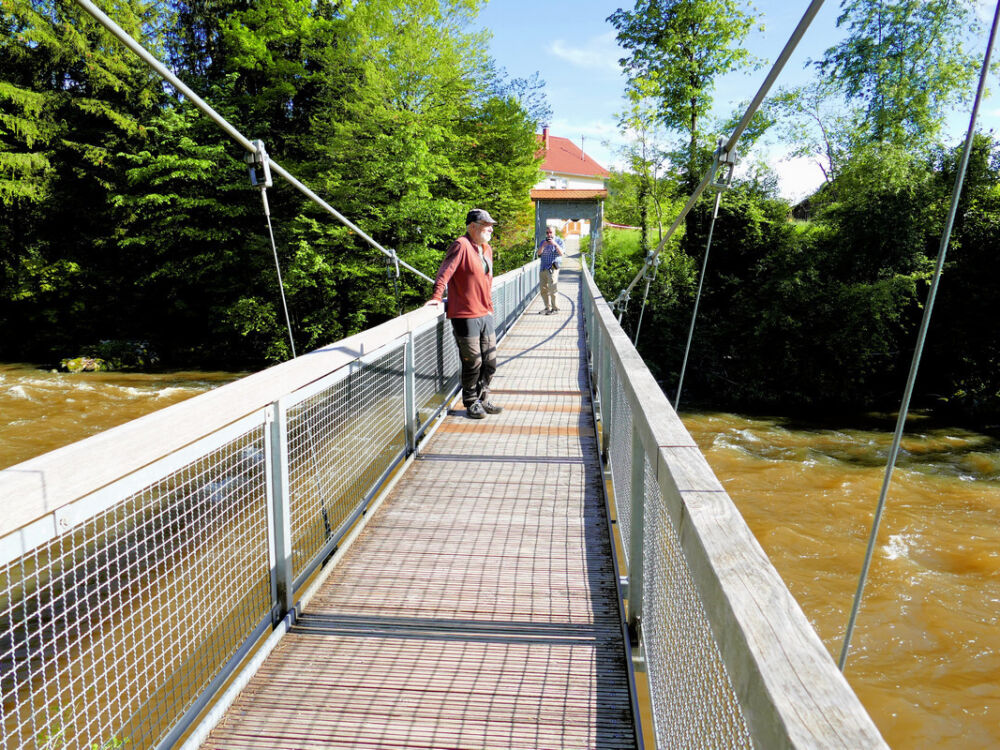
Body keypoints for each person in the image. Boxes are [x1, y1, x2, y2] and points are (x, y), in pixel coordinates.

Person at [426, 208, 503, 420]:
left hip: (485, 312)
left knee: (490, 361)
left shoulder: (486, 249)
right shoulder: (461, 245)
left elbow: (486, 281)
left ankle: (483, 397)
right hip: (465, 314)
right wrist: (436, 295)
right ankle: (471, 402)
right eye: (486, 225)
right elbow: (445, 271)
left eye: (490, 225)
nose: (490, 229)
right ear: (472, 227)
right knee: (473, 362)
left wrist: (488, 306)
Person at [536, 226, 565, 314]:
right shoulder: (543, 242)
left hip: (552, 268)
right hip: (543, 268)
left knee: (552, 288)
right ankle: (547, 307)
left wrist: (555, 244)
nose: (549, 234)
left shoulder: (559, 241)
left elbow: (561, 253)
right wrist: (543, 246)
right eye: (547, 232)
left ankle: (555, 308)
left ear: (554, 233)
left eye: (551, 232)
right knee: (543, 289)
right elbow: (539, 253)